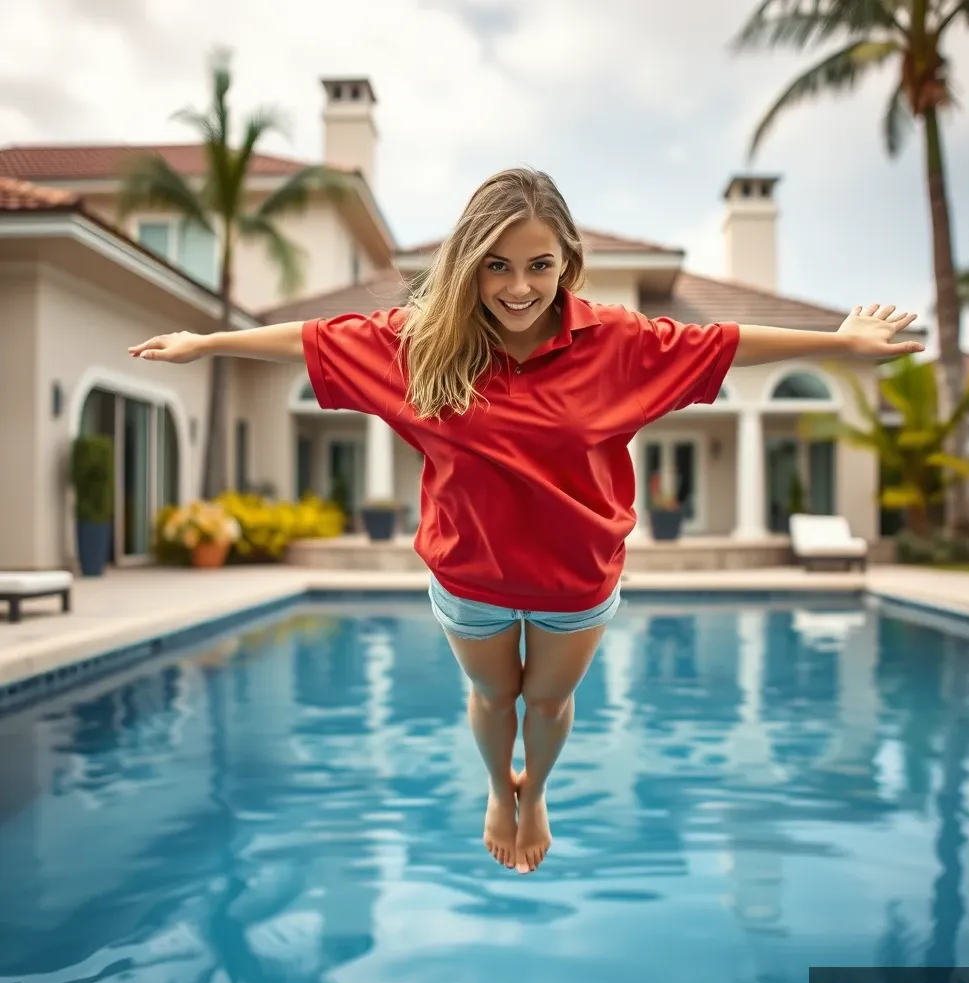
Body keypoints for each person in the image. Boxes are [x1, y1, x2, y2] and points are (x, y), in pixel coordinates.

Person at [128, 167, 922, 875]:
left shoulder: (618, 342)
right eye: (496, 267)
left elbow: (724, 341)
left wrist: (840, 342)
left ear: (566, 264)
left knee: (544, 703)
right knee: (489, 696)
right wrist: (207, 343)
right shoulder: (421, 345)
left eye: (539, 266)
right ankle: (493, 789)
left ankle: (532, 793)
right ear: (469, 266)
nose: (517, 287)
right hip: (467, 574)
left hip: (575, 578)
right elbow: (306, 340)